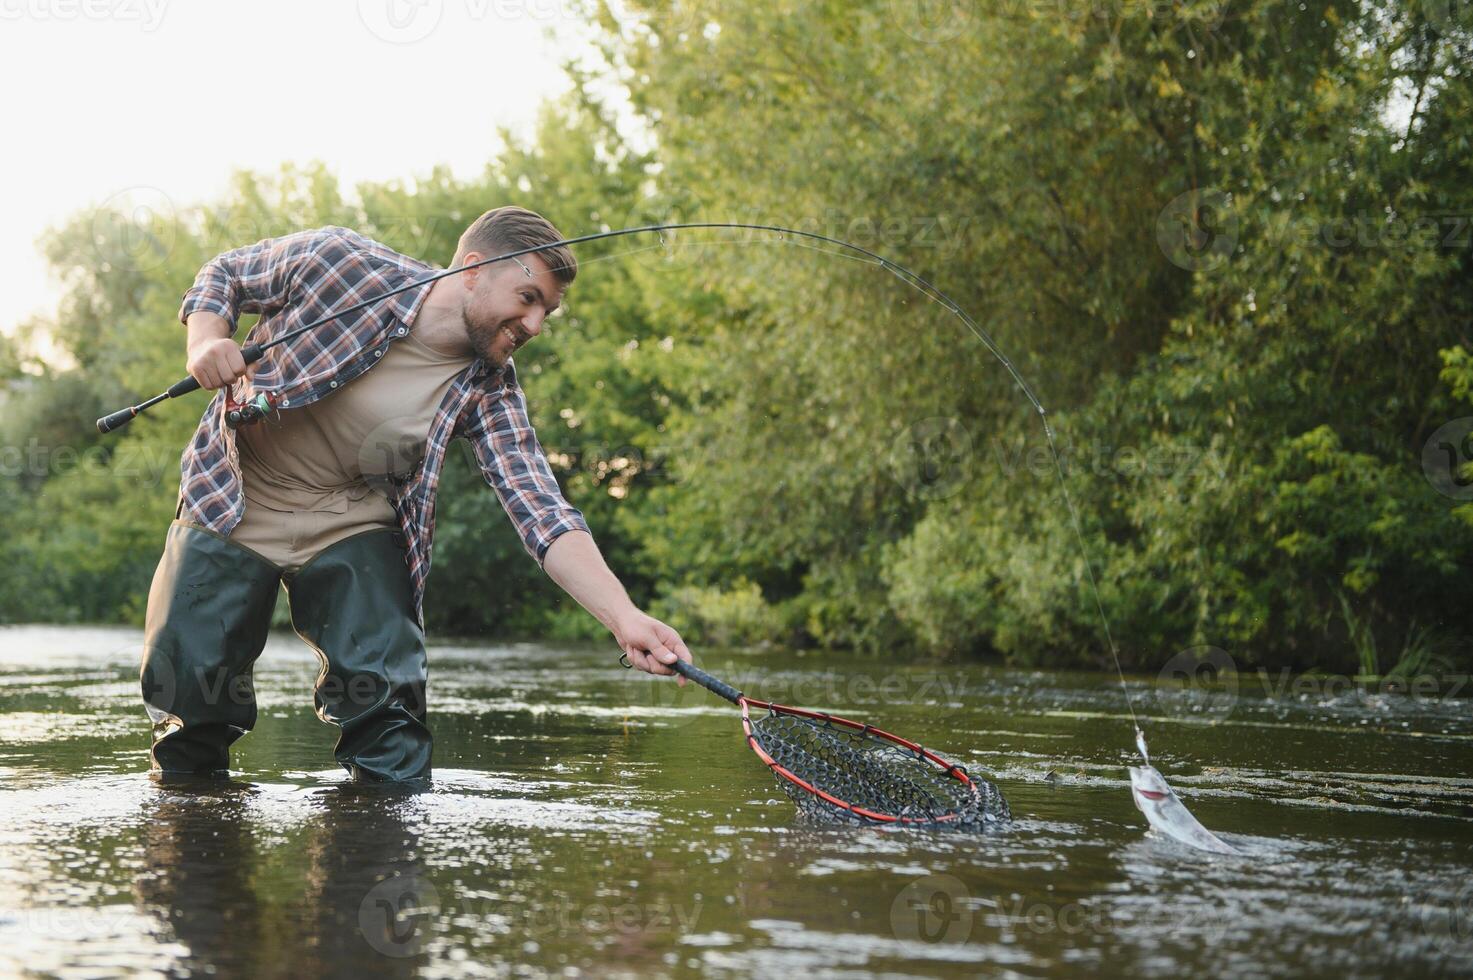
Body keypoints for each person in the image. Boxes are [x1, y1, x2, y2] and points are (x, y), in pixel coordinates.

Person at [140, 206, 692, 781]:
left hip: (352, 521)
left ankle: (380, 856)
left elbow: (541, 510)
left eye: (547, 311)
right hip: (234, 495)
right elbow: (225, 273)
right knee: (190, 713)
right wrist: (206, 341)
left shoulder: (490, 389)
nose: (535, 325)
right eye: (527, 298)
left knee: (390, 728)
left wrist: (625, 618)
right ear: (474, 269)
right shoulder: (341, 262)